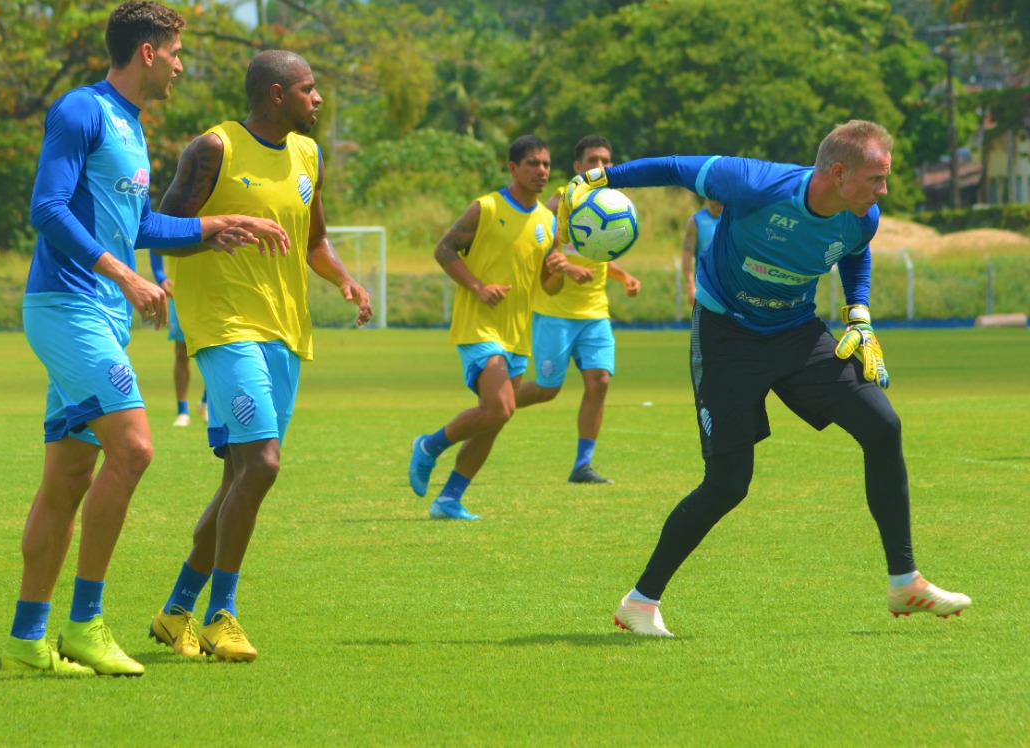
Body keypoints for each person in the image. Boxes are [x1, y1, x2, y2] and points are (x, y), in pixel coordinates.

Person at [558, 120, 971, 637]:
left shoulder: (861, 216)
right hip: (726, 337)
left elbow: (855, 253)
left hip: (798, 334)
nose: (883, 190)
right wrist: (603, 178)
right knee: (728, 484)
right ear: (839, 172)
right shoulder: (755, 183)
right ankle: (640, 602)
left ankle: (904, 580)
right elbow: (676, 167)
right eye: (876, 178)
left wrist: (859, 313)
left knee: (882, 425)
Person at [3, 0, 290, 677]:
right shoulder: (82, 110)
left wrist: (212, 228)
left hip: (97, 312)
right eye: (178, 52)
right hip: (66, 305)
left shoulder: (130, 127)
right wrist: (126, 279)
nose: (183, 66)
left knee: (69, 478)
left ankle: (27, 637)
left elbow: (132, 228)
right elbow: (46, 209)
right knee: (133, 449)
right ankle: (85, 624)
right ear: (149, 53)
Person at [148, 50, 372, 663]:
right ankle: (224, 614)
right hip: (223, 328)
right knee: (265, 465)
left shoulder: (308, 155)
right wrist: (217, 227)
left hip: (285, 333)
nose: (318, 98)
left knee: (240, 477)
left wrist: (345, 281)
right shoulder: (213, 149)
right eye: (308, 88)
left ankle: (175, 612)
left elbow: (315, 240)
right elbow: (157, 228)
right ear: (275, 94)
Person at [407, 135, 564, 520]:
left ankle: (448, 500)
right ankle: (428, 446)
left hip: (517, 334)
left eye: (545, 164)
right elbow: (443, 250)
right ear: (513, 168)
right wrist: (478, 286)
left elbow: (549, 285)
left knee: (495, 419)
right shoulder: (486, 208)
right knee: (500, 407)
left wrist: (559, 272)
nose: (541, 171)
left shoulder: (548, 220)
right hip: (479, 326)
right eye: (532, 164)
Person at [518, 135, 642, 484]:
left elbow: (599, 254)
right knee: (546, 389)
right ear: (577, 167)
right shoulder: (562, 200)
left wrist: (623, 276)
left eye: (606, 160)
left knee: (600, 381)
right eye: (592, 160)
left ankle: (582, 464)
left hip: (595, 312)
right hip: (554, 311)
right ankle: (492, 407)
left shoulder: (615, 202)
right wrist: (565, 267)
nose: (599, 167)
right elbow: (540, 247)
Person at [149, 250, 207, 427]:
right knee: (181, 351)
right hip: (179, 292)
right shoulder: (175, 219)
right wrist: (160, 276)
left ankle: (207, 402)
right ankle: (182, 411)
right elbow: (155, 241)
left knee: (215, 349)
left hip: (211, 292)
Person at [681, 200, 723, 308]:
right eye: (714, 195)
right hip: (704, 287)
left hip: (728, 287)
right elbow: (687, 254)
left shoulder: (734, 218)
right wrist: (690, 286)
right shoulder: (696, 221)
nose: (717, 199)